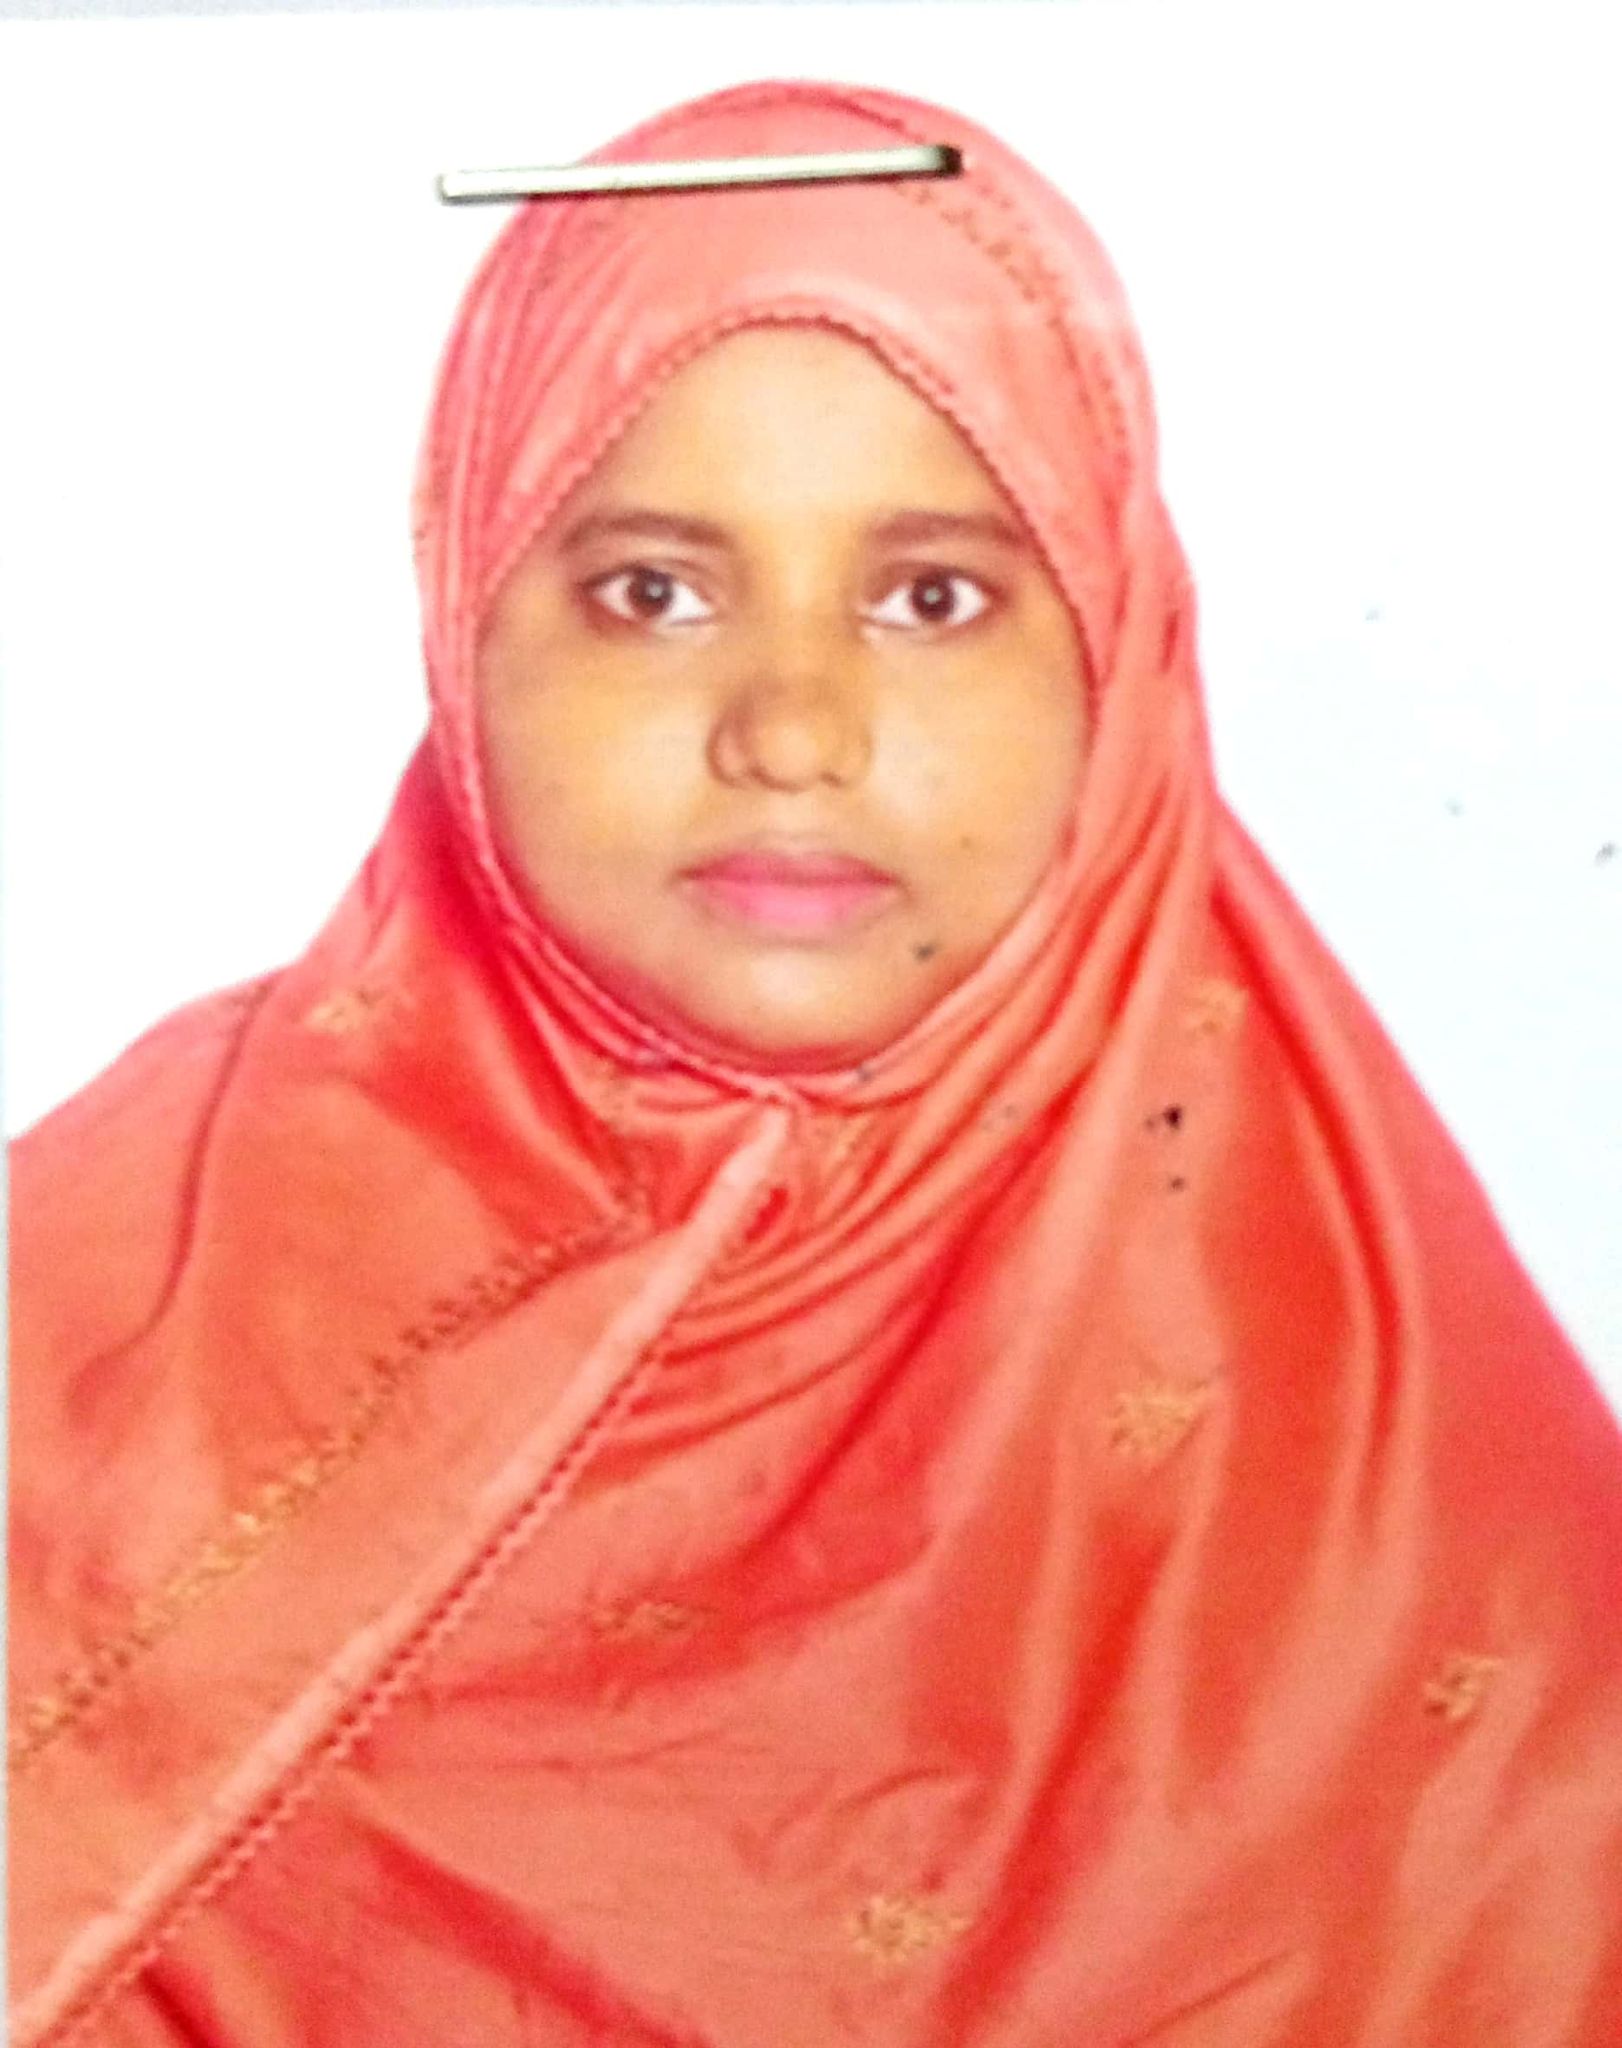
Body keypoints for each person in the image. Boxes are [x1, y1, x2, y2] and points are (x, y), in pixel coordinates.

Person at [8, 79, 1620, 2048]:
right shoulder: (99, 1302)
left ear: (1114, 659)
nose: (790, 725)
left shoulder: (1400, 1495)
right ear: (464, 621)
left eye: (930, 599)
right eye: (652, 593)